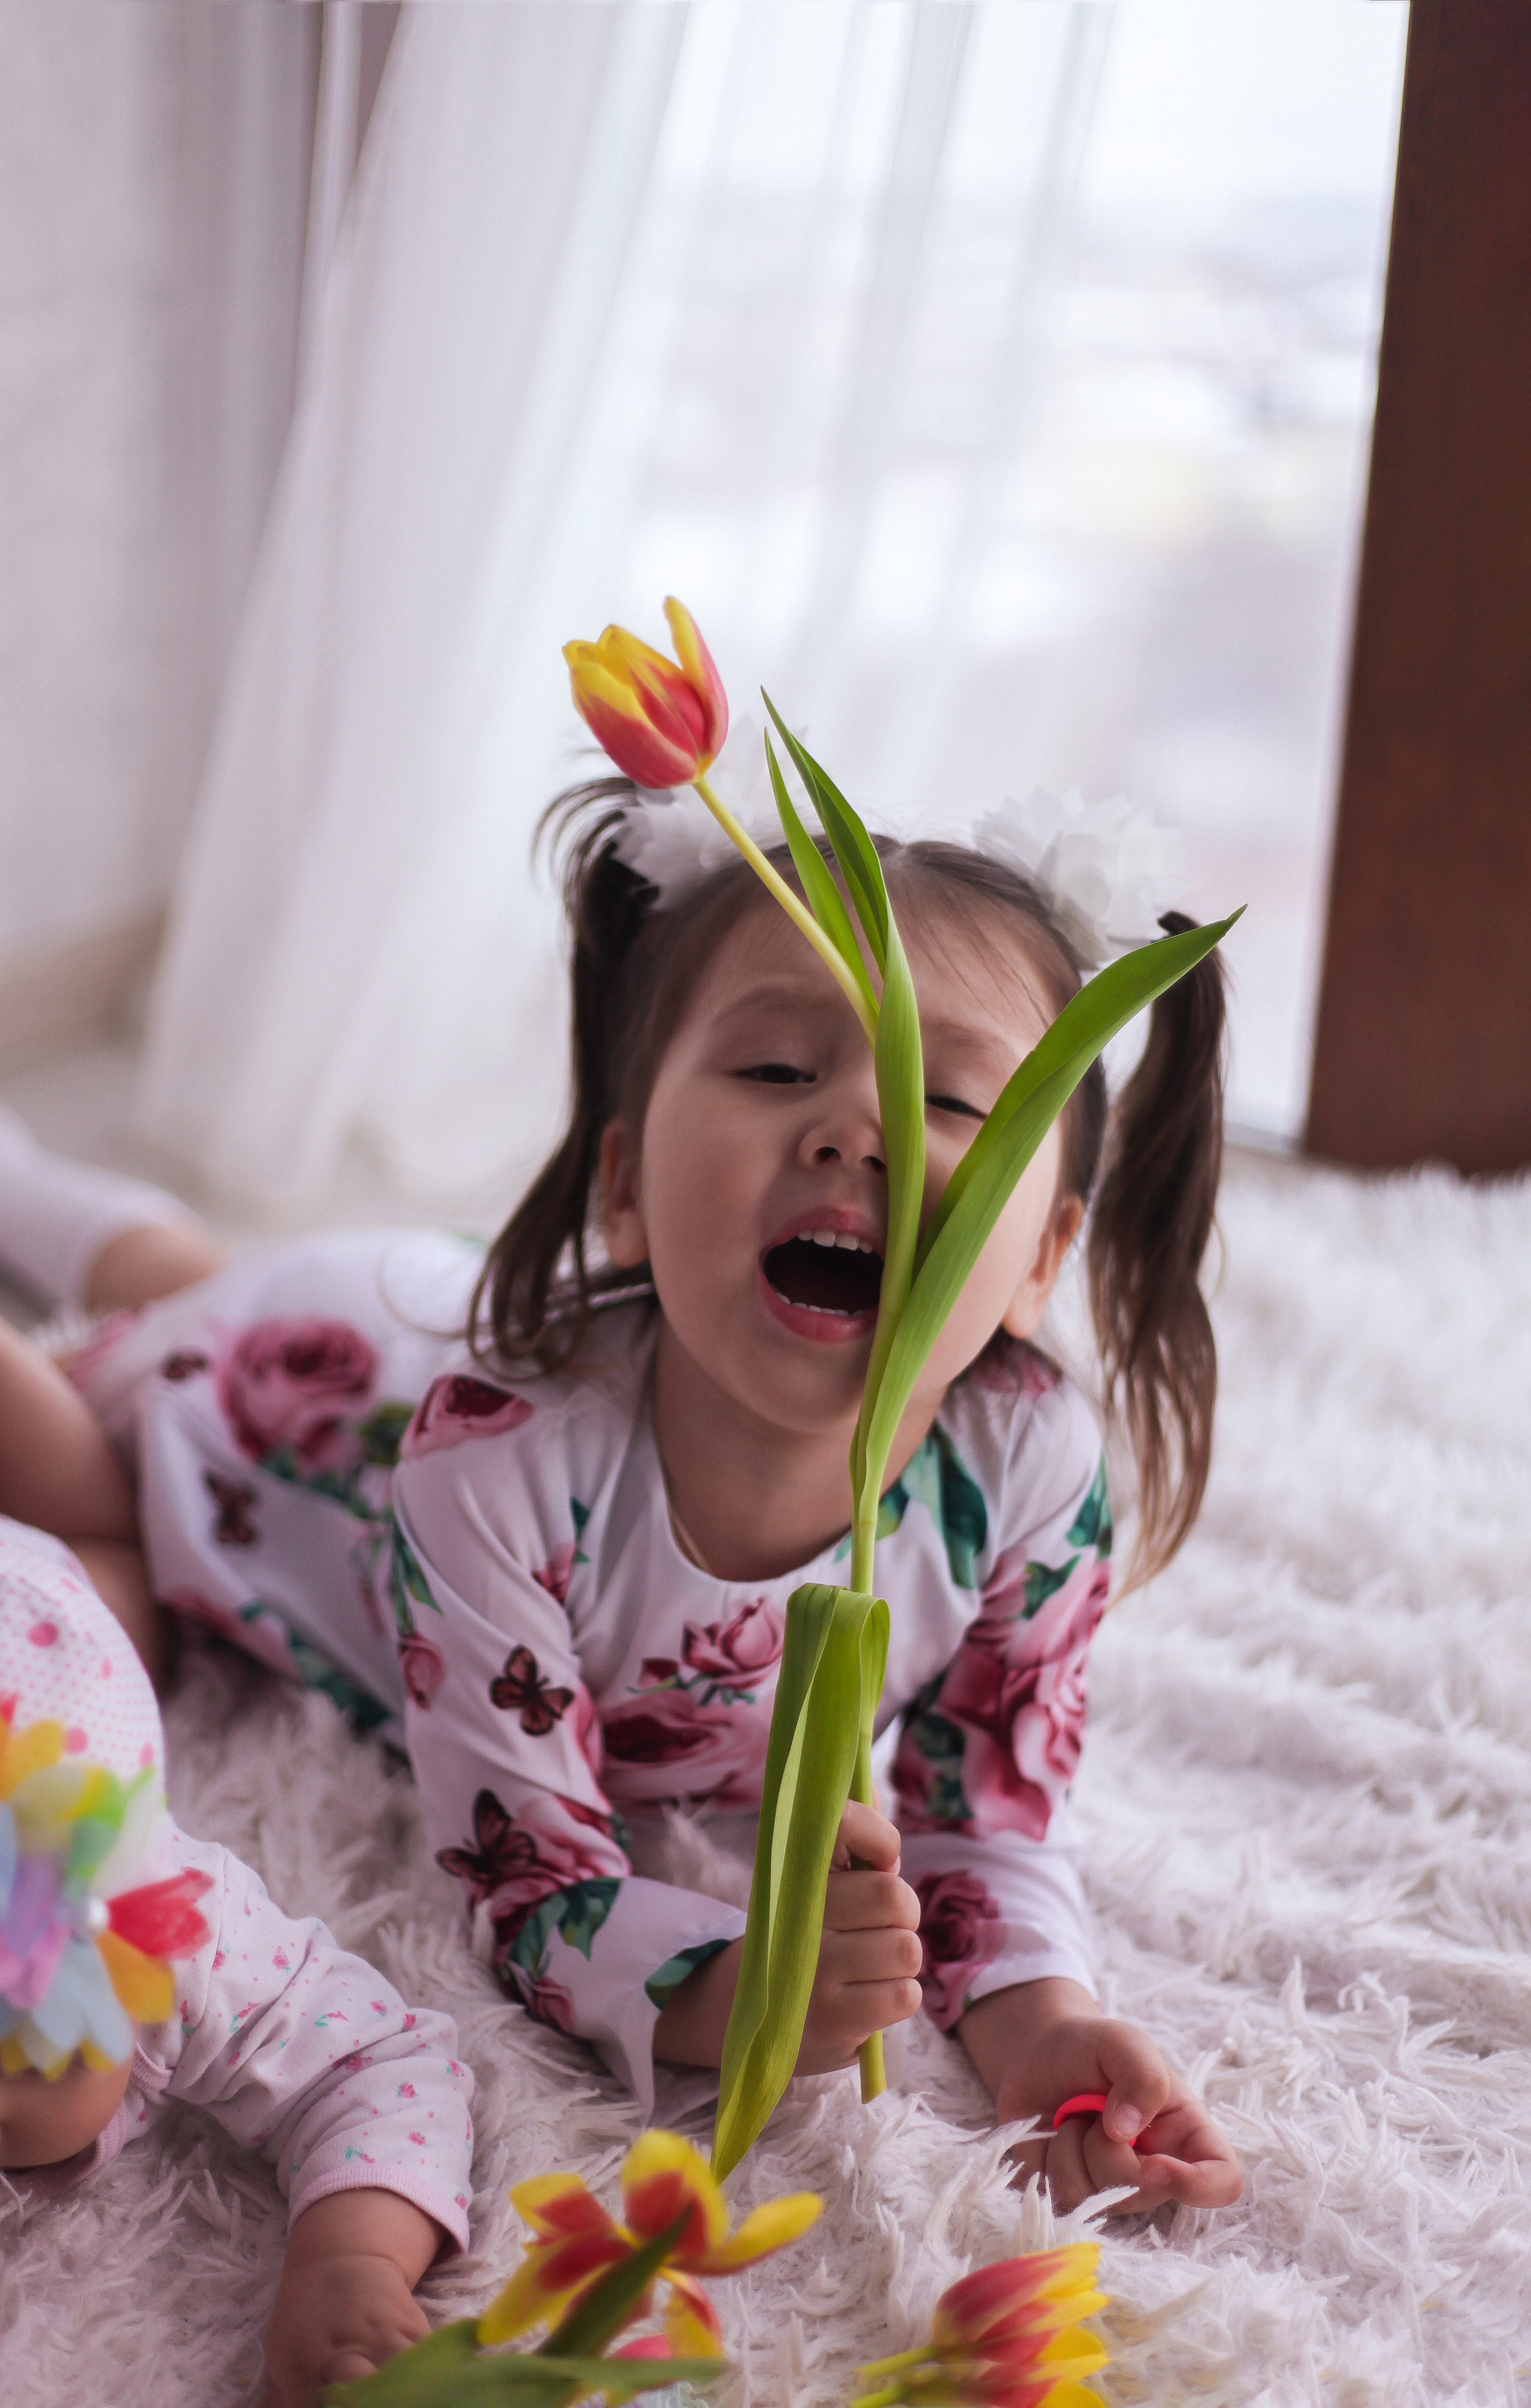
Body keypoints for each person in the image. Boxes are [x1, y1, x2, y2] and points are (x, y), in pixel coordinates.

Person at [0, 785, 1241, 2217]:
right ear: (626, 1183)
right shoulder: (498, 1465)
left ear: (1045, 1256)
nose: (854, 1124)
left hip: (411, 1320)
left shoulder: (1030, 1469)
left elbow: (990, 1805)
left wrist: (1043, 2025)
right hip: (276, 1430)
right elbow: (526, 1875)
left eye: (949, 1097)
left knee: (134, 1553)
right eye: (776, 1066)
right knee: (96, 1479)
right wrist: (738, 1988)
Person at [0, 1514, 476, 2403]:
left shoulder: (170, 1927)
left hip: (50, 1573)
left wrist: (352, 2261)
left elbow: (373, 2066)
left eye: (27, 2044)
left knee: (108, 1557)